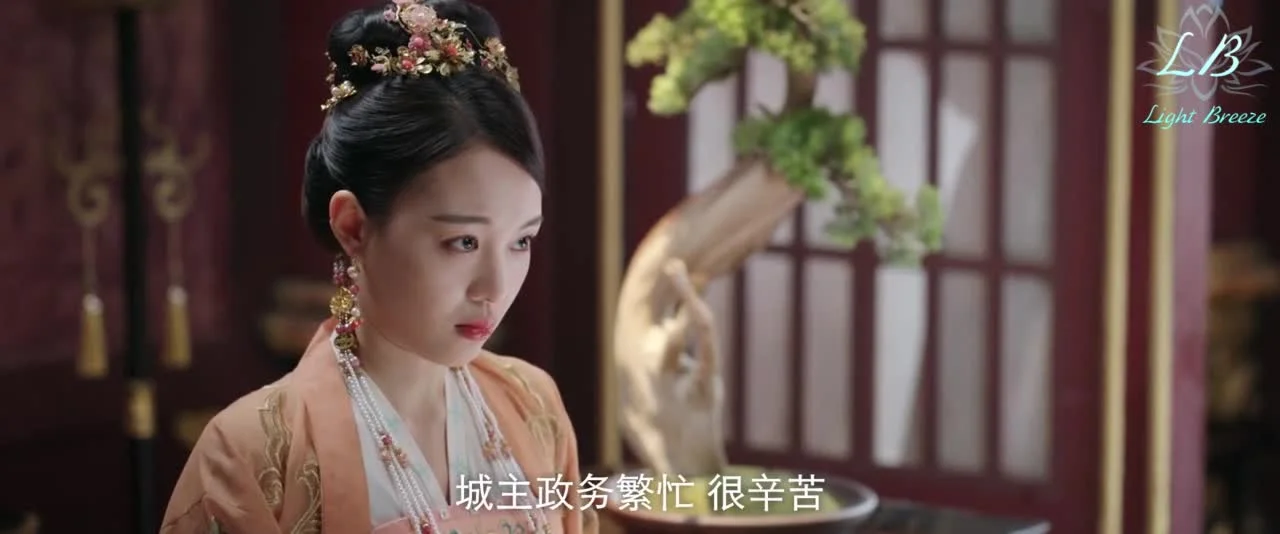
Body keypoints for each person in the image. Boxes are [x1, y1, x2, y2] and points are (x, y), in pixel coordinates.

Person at [160, 1, 595, 532]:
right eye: (463, 242)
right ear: (353, 227)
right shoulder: (252, 453)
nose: (495, 287)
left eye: (521, 241)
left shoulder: (532, 403)